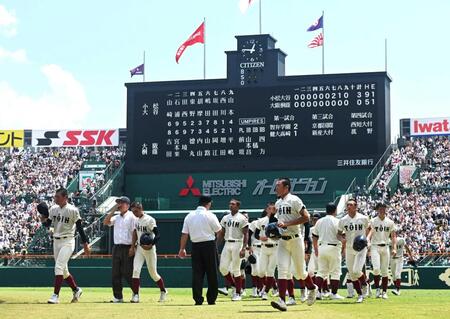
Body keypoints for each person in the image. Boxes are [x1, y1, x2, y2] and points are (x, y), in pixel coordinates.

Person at [270, 178, 317, 312]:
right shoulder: (278, 203)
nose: (276, 188)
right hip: (283, 241)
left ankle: (313, 288)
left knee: (300, 273)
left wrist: (287, 224)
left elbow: (306, 217)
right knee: (282, 269)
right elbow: (281, 222)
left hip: (296, 239)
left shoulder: (295, 200)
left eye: (278, 185)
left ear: (286, 187)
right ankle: (282, 301)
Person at [37, 188, 91, 304]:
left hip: (68, 241)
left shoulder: (73, 210)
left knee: (58, 267)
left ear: (65, 197)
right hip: (56, 241)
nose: (55, 198)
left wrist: (85, 244)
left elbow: (80, 228)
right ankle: (76, 290)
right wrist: (42, 219)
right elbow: (48, 224)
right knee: (64, 271)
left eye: (58, 197)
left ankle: (55, 296)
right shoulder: (53, 209)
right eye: (55, 196)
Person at [178, 195, 222, 305]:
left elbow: (184, 234)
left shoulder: (189, 216)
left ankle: (198, 299)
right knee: (212, 273)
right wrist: (215, 244)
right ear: (209, 203)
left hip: (195, 246)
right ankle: (211, 299)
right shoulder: (210, 215)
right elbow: (219, 231)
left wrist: (182, 249)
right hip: (209, 245)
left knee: (197, 273)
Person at [129, 202, 168, 303]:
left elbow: (158, 234)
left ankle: (163, 291)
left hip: (149, 250)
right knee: (136, 270)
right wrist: (132, 247)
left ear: (141, 208)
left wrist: (151, 244)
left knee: (153, 273)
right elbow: (135, 233)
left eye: (136, 211)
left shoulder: (149, 219)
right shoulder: (136, 220)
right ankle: (136, 295)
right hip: (139, 249)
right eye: (133, 212)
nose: (134, 213)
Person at [103, 196, 137, 303]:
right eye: (118, 203)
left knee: (128, 272)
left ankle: (136, 293)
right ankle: (118, 296)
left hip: (128, 247)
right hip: (117, 247)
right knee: (115, 273)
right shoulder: (116, 217)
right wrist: (113, 209)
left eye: (121, 203)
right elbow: (105, 222)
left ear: (127, 205)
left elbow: (134, 233)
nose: (119, 205)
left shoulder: (132, 217)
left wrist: (133, 247)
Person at [337, 198, 370, 303]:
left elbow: (370, 229)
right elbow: (338, 233)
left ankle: (364, 284)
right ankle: (360, 294)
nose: (348, 206)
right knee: (351, 274)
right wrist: (342, 239)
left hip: (361, 248)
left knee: (356, 270)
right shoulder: (343, 220)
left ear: (356, 207)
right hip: (349, 248)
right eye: (347, 205)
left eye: (351, 205)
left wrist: (368, 238)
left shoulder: (363, 218)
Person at [216, 199, 249, 301]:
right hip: (227, 243)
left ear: (238, 206)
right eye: (230, 204)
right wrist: (216, 245)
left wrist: (244, 248)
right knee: (223, 268)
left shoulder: (242, 218)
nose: (230, 205)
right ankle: (235, 286)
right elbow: (222, 232)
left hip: (238, 243)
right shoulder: (225, 218)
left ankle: (238, 293)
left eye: (233, 204)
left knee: (236, 269)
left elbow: (246, 233)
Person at [312, 202, 344, 300]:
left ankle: (317, 293)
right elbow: (342, 236)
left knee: (321, 272)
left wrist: (316, 249)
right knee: (335, 272)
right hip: (334, 247)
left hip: (322, 247)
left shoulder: (319, 221)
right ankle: (333, 293)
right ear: (335, 210)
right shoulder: (338, 221)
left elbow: (314, 236)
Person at [367, 202, 397, 299]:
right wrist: (368, 244)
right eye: (380, 208)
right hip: (375, 246)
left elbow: (393, 236)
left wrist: (394, 248)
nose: (382, 210)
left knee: (384, 271)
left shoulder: (390, 222)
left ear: (386, 209)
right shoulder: (372, 221)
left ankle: (384, 292)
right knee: (376, 269)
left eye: (384, 208)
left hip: (385, 246)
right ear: (377, 210)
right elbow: (368, 233)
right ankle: (377, 289)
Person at [254, 202, 278, 300]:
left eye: (274, 208)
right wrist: (260, 237)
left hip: (275, 247)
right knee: (261, 271)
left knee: (270, 271)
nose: (271, 210)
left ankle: (265, 292)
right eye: (270, 208)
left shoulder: (278, 220)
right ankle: (265, 287)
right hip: (264, 247)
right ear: (267, 209)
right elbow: (255, 234)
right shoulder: (261, 221)